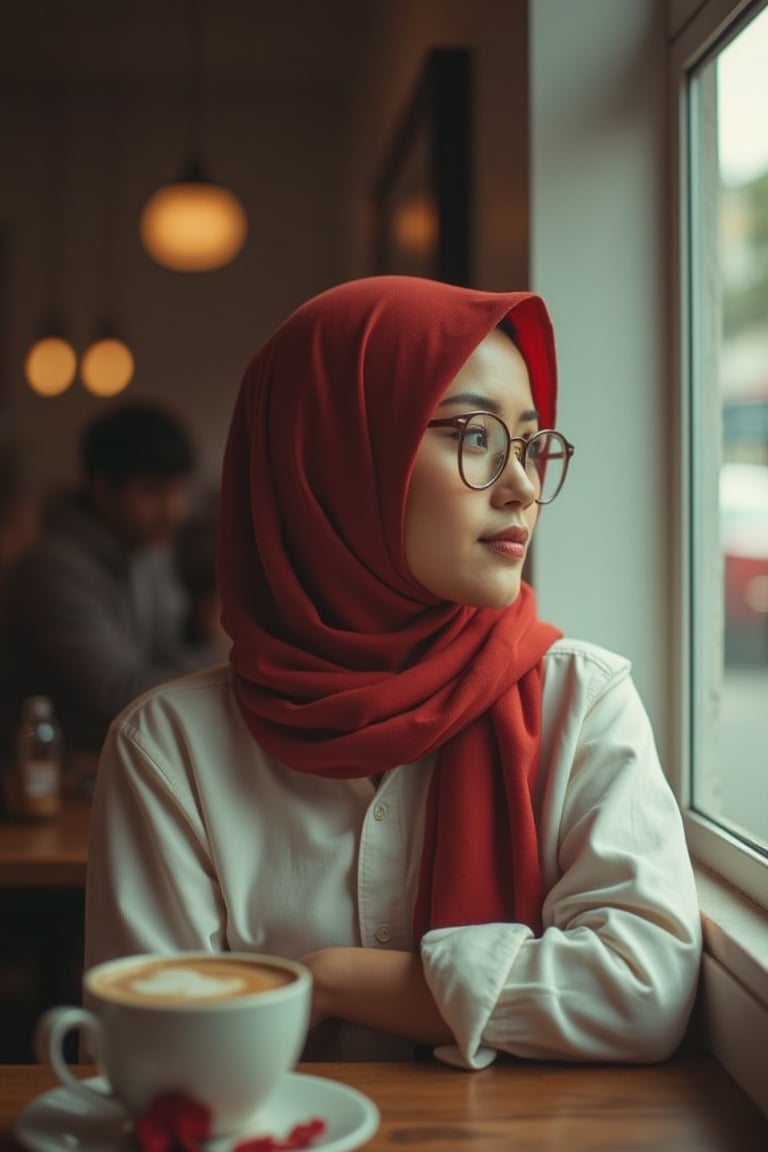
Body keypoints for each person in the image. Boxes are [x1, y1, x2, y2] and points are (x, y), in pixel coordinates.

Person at [85, 277, 701, 1067]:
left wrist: (340, 982)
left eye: (531, 442)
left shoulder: (581, 701)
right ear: (333, 455)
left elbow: (640, 990)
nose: (522, 486)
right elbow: (161, 1057)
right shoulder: (169, 749)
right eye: (477, 436)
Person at [1, 403, 227, 762]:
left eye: (179, 490)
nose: (173, 510)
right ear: (103, 491)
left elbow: (164, 651)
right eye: (153, 491)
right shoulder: (50, 570)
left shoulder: (148, 553)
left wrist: (198, 630)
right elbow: (125, 698)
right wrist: (212, 642)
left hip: (110, 768)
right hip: (48, 786)